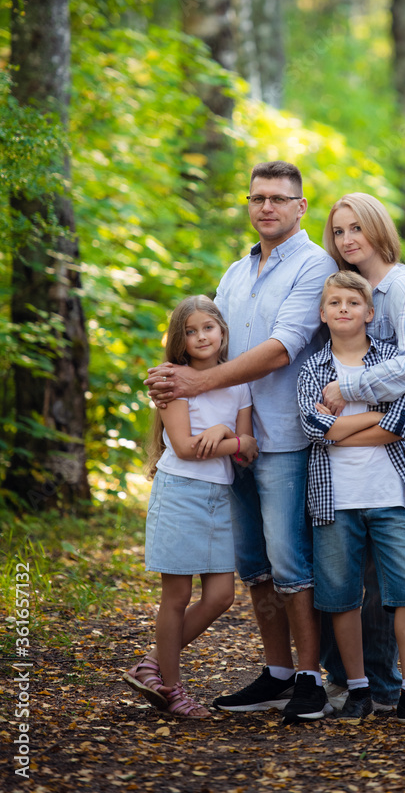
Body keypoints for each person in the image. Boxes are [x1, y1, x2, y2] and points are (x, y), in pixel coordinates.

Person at [144, 162, 337, 724]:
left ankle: (308, 678)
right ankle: (276, 674)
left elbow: (283, 348)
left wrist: (198, 384)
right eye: (258, 198)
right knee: (253, 565)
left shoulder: (315, 265)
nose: (267, 207)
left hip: (282, 434)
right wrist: (170, 380)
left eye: (280, 198)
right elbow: (208, 347)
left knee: (288, 561)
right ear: (249, 205)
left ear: (301, 207)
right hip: (235, 441)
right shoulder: (233, 272)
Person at [298, 272, 405, 724]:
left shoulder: (393, 361)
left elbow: (400, 425)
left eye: (352, 303)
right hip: (333, 498)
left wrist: (338, 431)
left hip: (390, 495)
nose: (342, 309)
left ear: (370, 313)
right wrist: (365, 419)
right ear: (322, 313)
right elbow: (313, 430)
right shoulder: (312, 368)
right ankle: (357, 689)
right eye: (333, 303)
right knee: (340, 597)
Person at [318, 192, 405, 711]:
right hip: (340, 466)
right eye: (339, 232)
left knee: (384, 580)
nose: (347, 240)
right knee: (344, 577)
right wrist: (330, 425)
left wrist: (349, 394)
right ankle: (354, 681)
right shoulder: (350, 291)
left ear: (377, 228)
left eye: (355, 228)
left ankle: (388, 687)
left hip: (386, 454)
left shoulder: (399, 290)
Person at [124, 295, 258, 718]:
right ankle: (172, 687)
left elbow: (249, 447)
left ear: (222, 331)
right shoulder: (172, 380)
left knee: (221, 596)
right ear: (179, 340)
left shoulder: (240, 381)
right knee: (177, 596)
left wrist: (222, 433)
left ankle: (151, 665)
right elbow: (182, 447)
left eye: (208, 328)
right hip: (180, 493)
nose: (201, 336)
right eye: (190, 331)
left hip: (221, 496)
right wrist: (227, 438)